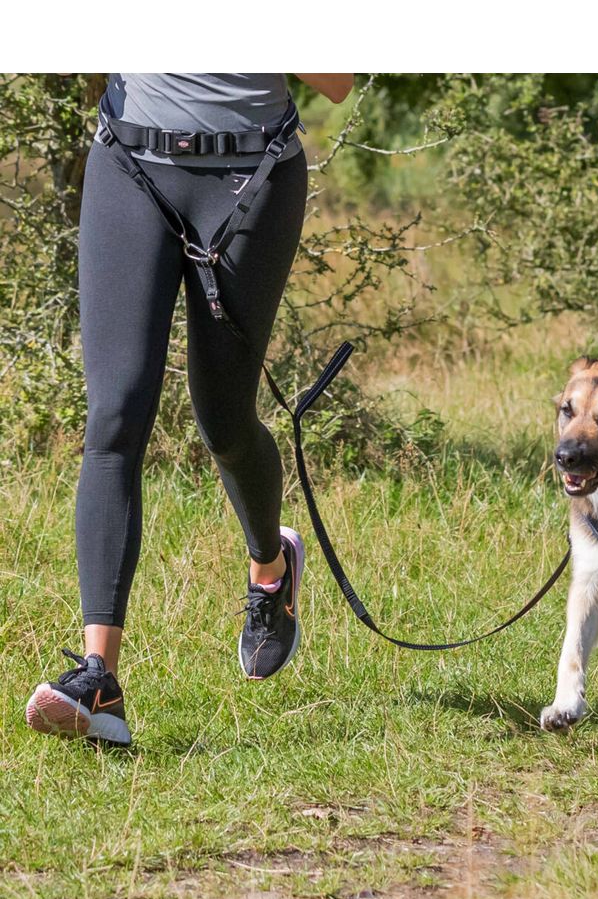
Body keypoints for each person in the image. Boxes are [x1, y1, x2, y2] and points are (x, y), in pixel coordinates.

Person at [25, 73, 354, 747]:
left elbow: (337, 81)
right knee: (115, 415)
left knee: (224, 418)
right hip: (130, 163)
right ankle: (100, 681)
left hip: (251, 174)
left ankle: (271, 568)